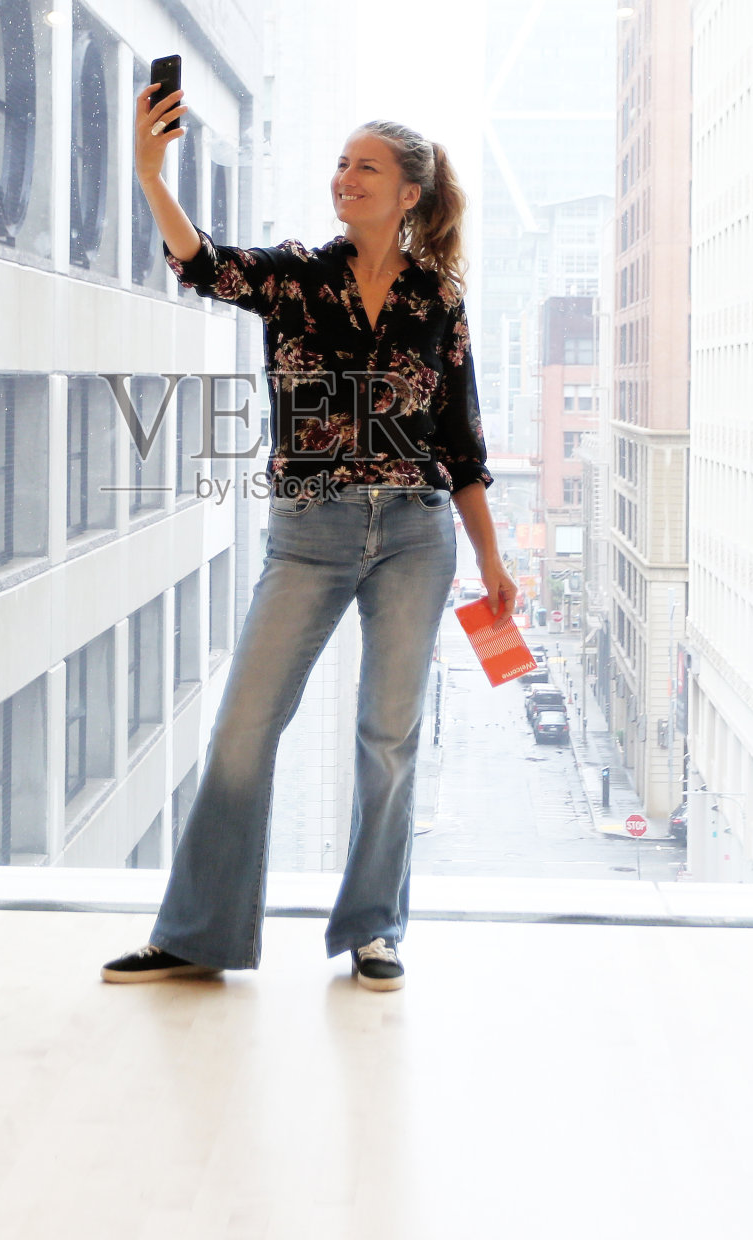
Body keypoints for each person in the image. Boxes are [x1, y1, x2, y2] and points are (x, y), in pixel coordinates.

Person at [102, 77, 516, 991]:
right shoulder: (297, 274)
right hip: (309, 532)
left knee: (389, 734)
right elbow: (204, 265)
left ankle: (374, 929)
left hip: (416, 531)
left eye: (364, 166)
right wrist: (149, 172)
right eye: (338, 163)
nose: (344, 177)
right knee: (245, 728)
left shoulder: (435, 301)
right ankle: (197, 933)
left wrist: (490, 558)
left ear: (409, 192)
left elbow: (461, 439)